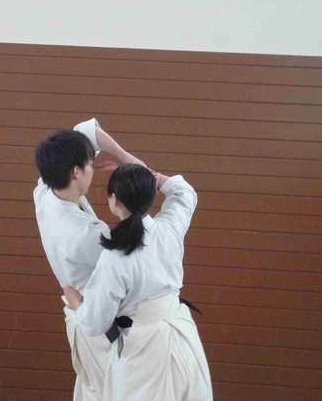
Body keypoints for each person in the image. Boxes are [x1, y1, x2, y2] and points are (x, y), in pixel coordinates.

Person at [63, 164, 212, 401]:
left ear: (115, 200)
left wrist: (77, 305)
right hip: (183, 339)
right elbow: (184, 191)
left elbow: (94, 323)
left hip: (144, 352)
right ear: (151, 196)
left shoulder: (115, 256)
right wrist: (156, 177)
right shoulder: (170, 227)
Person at [34, 118, 145, 401]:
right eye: (90, 165)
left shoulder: (44, 192)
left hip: (80, 318)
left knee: (92, 391)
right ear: (76, 172)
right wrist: (134, 180)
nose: (93, 168)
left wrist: (125, 157)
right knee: (111, 393)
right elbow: (132, 268)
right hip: (98, 328)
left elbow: (86, 133)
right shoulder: (88, 233)